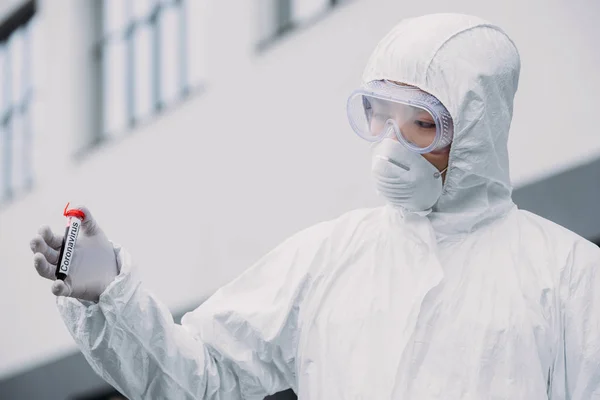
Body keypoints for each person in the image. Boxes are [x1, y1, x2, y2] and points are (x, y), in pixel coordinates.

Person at [29, 13, 600, 399]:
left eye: (423, 124)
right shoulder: (331, 256)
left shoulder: (568, 277)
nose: (392, 146)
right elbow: (199, 377)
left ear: (478, 131)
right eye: (381, 115)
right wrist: (111, 298)